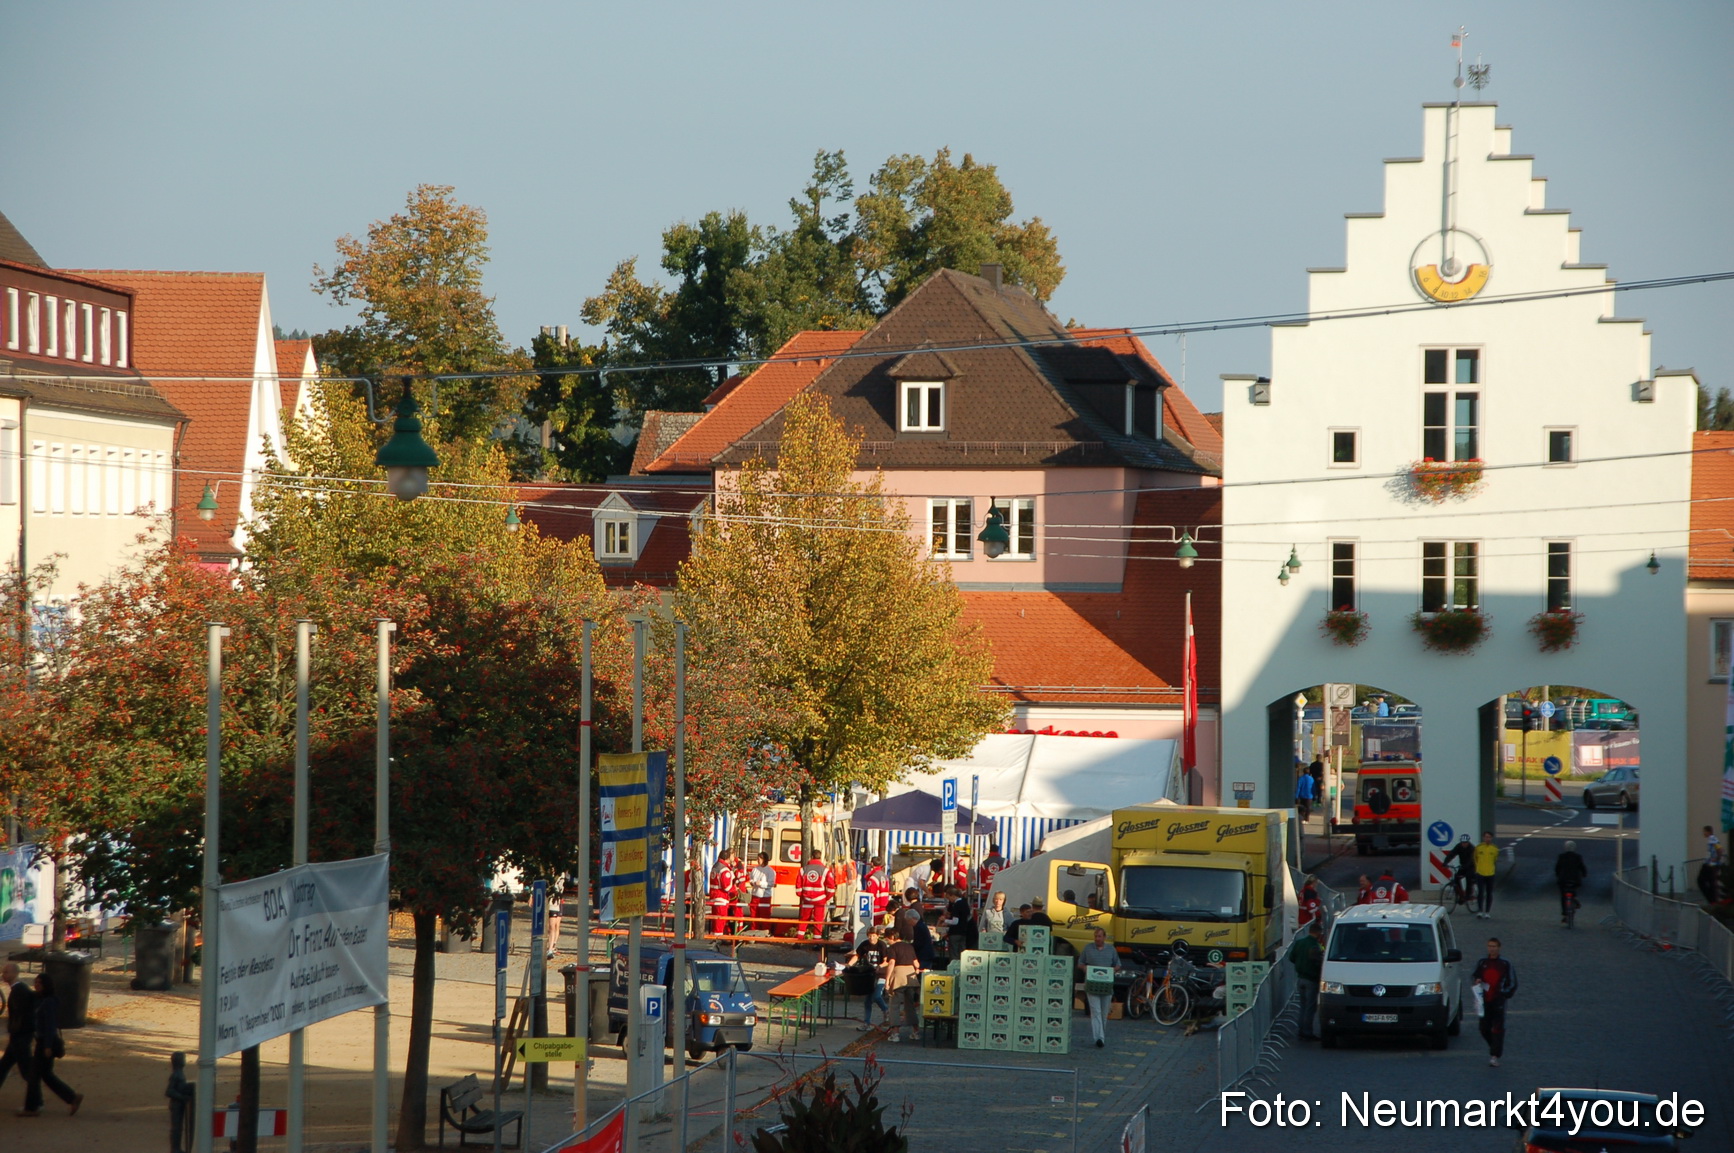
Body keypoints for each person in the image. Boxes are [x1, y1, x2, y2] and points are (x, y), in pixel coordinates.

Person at [19, 972, 81, 1117]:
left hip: (46, 1042)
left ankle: (32, 1107)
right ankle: (71, 1097)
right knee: (46, 1075)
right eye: (35, 982)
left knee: (34, 1076)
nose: (37, 985)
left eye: (40, 983)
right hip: (42, 1041)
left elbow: (50, 1025)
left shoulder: (49, 1002)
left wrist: (47, 1046)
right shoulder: (41, 1000)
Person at [1471, 937, 1518, 1067]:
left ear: (1499, 948)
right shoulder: (1482, 962)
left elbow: (1512, 982)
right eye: (1490, 946)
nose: (1492, 949)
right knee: (1483, 1028)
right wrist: (1477, 981)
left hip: (1498, 1001)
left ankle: (1494, 1055)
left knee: (1497, 1028)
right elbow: (1475, 975)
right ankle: (1495, 1047)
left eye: (1494, 946)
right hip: (1484, 1000)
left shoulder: (1505, 963)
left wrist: (1504, 994)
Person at [1078, 927, 1121, 1048]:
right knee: (1095, 1011)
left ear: (1104, 937)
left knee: (1103, 1012)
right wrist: (1084, 968)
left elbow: (1118, 964)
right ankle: (1099, 1038)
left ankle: (1101, 1035)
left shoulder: (1111, 950)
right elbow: (1080, 963)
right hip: (1092, 985)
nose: (1097, 939)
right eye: (1096, 936)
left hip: (1106, 985)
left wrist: (1113, 970)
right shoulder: (1088, 948)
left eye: (1100, 936)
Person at [0, 961, 34, 1099]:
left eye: (6, 972)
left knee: (27, 1072)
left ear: (14, 973)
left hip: (20, 1037)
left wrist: (15, 1031)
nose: (3, 975)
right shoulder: (20, 989)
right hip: (19, 1036)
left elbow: (20, 1015)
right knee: (4, 1067)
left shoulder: (19, 991)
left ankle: (36, 1102)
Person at [885, 926, 922, 1043]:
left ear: (892, 937)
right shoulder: (909, 946)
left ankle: (895, 1033)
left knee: (894, 1005)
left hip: (898, 978)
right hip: (910, 978)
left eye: (887, 939)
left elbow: (891, 963)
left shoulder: (893, 947)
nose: (887, 941)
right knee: (910, 1005)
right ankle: (915, 1031)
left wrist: (887, 980)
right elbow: (917, 964)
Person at [850, 926, 891, 1029]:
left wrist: (879, 966)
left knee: (877, 995)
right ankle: (866, 1023)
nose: (871, 938)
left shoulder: (881, 945)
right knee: (867, 1000)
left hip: (881, 974)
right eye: (869, 936)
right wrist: (849, 965)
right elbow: (857, 955)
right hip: (869, 975)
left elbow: (887, 961)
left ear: (877, 936)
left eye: (873, 936)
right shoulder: (865, 944)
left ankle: (886, 1010)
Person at [1289, 920, 1324, 1040]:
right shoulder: (1314, 946)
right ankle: (1307, 1031)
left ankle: (1301, 1029)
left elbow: (1291, 957)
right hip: (1311, 979)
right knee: (1310, 1007)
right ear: (1318, 933)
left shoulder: (1299, 943)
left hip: (1301, 978)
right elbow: (1317, 963)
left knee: (1303, 1006)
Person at [796, 849, 835, 939]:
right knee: (818, 920)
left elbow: (798, 886)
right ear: (820, 857)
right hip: (820, 899)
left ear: (812, 857)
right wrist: (826, 897)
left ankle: (799, 939)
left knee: (804, 919)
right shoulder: (825, 870)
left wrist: (802, 895)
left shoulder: (803, 870)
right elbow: (831, 887)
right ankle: (817, 941)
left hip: (807, 899)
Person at [166, 1051, 195, 1153]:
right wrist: (182, 1097)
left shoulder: (180, 1073)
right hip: (176, 1105)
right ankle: (175, 1148)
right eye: (183, 1058)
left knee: (179, 1128)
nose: (185, 1060)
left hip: (179, 1104)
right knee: (176, 1128)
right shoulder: (176, 1075)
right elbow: (169, 1091)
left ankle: (177, 1148)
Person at [708, 849, 740, 938]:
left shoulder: (716, 866)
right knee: (720, 921)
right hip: (721, 897)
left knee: (715, 921)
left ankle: (714, 938)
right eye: (731, 856)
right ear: (727, 857)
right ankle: (718, 939)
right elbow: (726, 887)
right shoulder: (724, 870)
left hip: (714, 896)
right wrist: (735, 888)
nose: (733, 858)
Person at [1554, 840, 1587, 923]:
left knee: (1563, 895)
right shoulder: (1578, 857)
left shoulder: (1561, 856)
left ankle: (1565, 913)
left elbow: (1557, 868)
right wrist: (1584, 874)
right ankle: (1574, 899)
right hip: (1575, 879)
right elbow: (1582, 867)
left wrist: (1558, 875)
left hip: (1563, 879)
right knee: (1574, 890)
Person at [747, 852, 776, 934]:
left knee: (765, 916)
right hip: (755, 895)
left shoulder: (771, 871)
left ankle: (764, 932)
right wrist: (753, 882)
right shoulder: (755, 869)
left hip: (765, 896)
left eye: (759, 859)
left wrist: (761, 884)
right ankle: (753, 931)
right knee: (754, 915)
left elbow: (771, 883)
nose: (757, 860)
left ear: (764, 859)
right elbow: (751, 879)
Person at [942, 885, 977, 952]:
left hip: (956, 932)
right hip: (964, 932)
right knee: (962, 952)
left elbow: (955, 921)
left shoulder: (957, 905)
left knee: (954, 953)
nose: (949, 900)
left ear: (953, 896)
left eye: (949, 898)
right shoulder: (964, 903)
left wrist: (945, 920)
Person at [1473, 831, 1500, 919]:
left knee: (1489, 893)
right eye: (1486, 837)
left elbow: (1495, 860)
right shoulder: (1478, 848)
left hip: (1490, 873)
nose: (1487, 839)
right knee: (1480, 892)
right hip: (1480, 873)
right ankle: (1480, 910)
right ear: (1483, 838)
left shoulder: (1494, 849)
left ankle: (1487, 911)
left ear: (1491, 838)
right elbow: (1475, 858)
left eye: (1489, 837)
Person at [1699, 826, 1725, 904]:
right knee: (1710, 882)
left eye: (1705, 831)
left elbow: (1720, 849)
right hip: (1709, 863)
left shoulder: (1713, 839)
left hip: (1711, 864)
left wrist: (1717, 858)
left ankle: (1712, 900)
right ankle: (1712, 900)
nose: (1703, 833)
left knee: (1702, 880)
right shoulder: (1711, 839)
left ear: (1709, 832)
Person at [862, 856, 891, 925]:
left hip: (876, 908)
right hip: (884, 907)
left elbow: (871, 895)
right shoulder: (884, 876)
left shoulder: (873, 878)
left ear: (871, 864)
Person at [1449, 834, 1476, 905]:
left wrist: (1467, 865)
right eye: (1462, 842)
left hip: (1471, 866)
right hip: (1463, 866)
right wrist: (1445, 862)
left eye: (1465, 842)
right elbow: (1452, 854)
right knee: (1456, 878)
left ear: (1468, 842)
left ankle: (1468, 894)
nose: (1464, 844)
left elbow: (1472, 859)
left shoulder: (1472, 848)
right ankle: (1461, 895)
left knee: (1468, 877)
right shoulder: (1458, 846)